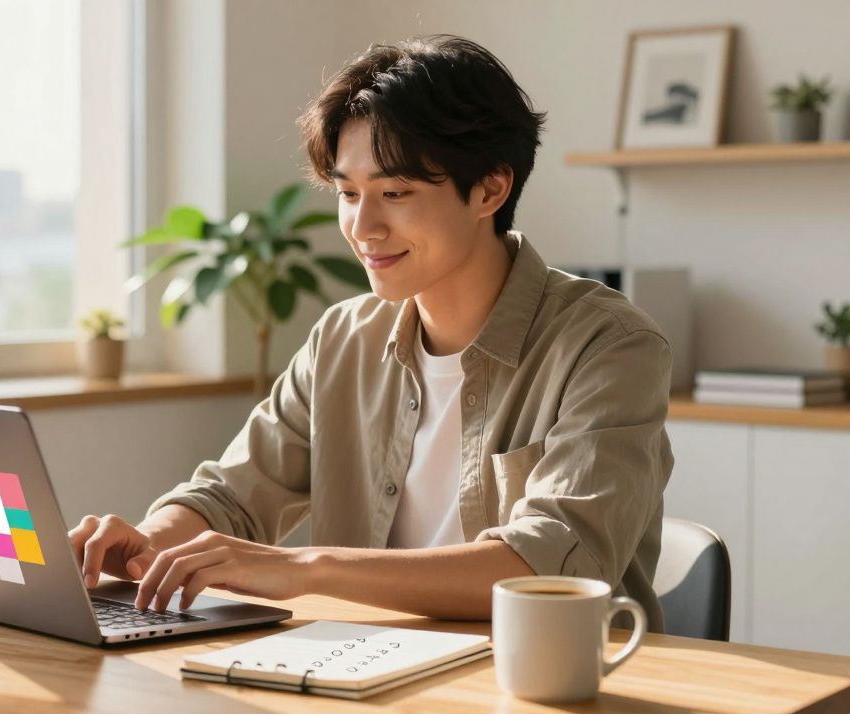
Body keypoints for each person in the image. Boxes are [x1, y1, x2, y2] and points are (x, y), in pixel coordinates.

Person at [69, 35, 673, 630]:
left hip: (553, 689)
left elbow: (550, 562)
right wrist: (145, 544)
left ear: (491, 188)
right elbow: (229, 499)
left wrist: (306, 567)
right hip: (364, 675)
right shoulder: (342, 338)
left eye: (394, 192)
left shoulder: (609, 345)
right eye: (348, 193)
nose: (363, 227)